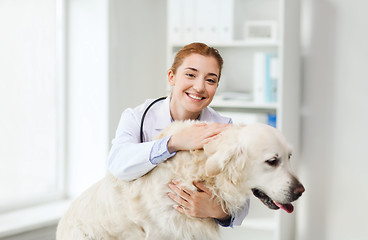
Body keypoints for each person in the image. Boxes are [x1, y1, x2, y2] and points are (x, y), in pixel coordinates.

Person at [107, 42, 249, 227]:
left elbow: (241, 199)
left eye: (211, 80)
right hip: (140, 227)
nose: (199, 87)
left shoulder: (224, 127)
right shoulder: (138, 117)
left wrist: (216, 210)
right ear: (171, 77)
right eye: (190, 75)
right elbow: (117, 164)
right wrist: (172, 143)